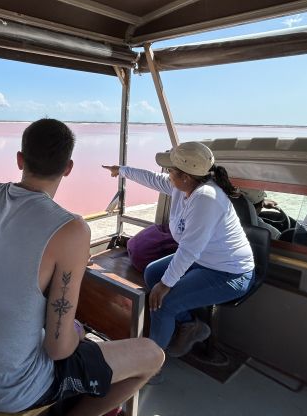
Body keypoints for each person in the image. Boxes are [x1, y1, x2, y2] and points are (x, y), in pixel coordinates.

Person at [0, 119, 163, 416]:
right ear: (68, 168)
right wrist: (77, 333)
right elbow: (59, 349)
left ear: (20, 159)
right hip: (10, 387)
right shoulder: (71, 229)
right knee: (152, 356)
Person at [103, 141, 255, 358]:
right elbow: (152, 178)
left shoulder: (206, 199)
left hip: (229, 273)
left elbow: (189, 250)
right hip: (203, 260)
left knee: (164, 302)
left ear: (186, 176)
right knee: (152, 273)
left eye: (171, 170)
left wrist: (165, 285)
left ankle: (149, 363)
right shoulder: (183, 186)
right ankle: (190, 325)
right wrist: (122, 170)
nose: (167, 174)